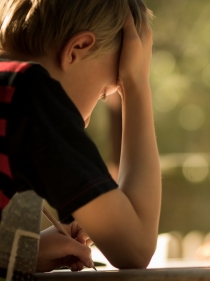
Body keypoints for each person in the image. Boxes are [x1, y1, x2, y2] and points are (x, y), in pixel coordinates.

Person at [0, 0, 161, 272]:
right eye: (102, 93)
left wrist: (18, 254)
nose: (84, 122)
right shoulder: (29, 94)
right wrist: (136, 84)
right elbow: (135, 249)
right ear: (76, 49)